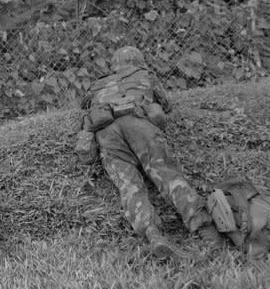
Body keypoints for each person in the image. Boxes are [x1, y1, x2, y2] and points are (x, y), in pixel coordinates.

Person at [76, 46, 223, 259]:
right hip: (140, 125)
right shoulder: (146, 76)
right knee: (167, 175)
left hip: (107, 134)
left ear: (114, 64)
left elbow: (84, 108)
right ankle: (206, 232)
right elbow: (167, 105)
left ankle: (153, 235)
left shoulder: (96, 84)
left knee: (130, 188)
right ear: (139, 61)